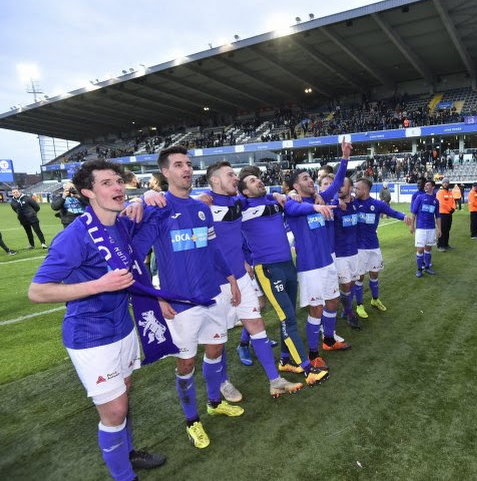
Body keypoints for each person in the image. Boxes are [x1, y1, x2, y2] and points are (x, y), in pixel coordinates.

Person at [28, 159, 166, 480]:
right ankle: (123, 476)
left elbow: (158, 218)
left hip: (123, 328)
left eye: (118, 181)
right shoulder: (74, 237)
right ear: (88, 192)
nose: (117, 187)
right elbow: (37, 291)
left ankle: (128, 453)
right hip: (89, 336)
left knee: (125, 397)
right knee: (115, 410)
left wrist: (146, 199)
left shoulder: (121, 223)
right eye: (107, 183)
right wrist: (99, 285)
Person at [133, 146, 244, 450]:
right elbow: (137, 256)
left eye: (189, 164)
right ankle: (191, 420)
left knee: (217, 348)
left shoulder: (201, 208)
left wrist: (232, 280)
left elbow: (213, 249)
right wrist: (156, 296)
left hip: (212, 293)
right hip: (180, 303)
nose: (186, 170)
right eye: (178, 165)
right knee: (185, 362)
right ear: (165, 172)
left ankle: (213, 402)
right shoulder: (156, 209)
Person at [199, 161, 303, 398]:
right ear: (215, 181)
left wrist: (280, 193)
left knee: (257, 325)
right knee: (218, 339)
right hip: (216, 282)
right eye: (230, 175)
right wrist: (149, 197)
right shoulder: (203, 205)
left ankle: (275, 380)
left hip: (241, 277)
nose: (235, 178)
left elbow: (259, 199)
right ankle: (222, 382)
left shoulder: (238, 201)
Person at [237, 166, 330, 387]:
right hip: (268, 269)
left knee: (288, 315)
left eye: (258, 178)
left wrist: (282, 195)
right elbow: (228, 234)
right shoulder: (242, 206)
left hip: (288, 264)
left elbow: (294, 206)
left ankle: (286, 360)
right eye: (251, 181)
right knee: (287, 318)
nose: (258, 181)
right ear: (245, 191)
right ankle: (308, 370)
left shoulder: (273, 200)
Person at [284, 143, 352, 369]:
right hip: (310, 267)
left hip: (327, 263)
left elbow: (336, 182)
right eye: (304, 178)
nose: (310, 180)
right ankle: (313, 354)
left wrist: (344, 158)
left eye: (310, 177)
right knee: (317, 308)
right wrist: (313, 207)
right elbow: (296, 211)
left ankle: (329, 340)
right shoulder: (293, 204)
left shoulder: (320, 197)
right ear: (295, 185)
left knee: (333, 301)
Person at [350, 177, 413, 318]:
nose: (355, 190)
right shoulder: (352, 202)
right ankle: (359, 305)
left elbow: (393, 212)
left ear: (365, 190)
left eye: (358, 188)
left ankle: (375, 299)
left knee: (374, 274)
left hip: (373, 245)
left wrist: (404, 217)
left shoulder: (377, 204)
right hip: (359, 248)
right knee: (359, 277)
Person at [332, 177, 361, 329]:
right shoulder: (334, 205)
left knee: (352, 283)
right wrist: (336, 200)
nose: (339, 188)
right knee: (345, 285)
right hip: (340, 253)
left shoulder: (355, 203)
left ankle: (345, 309)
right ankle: (349, 313)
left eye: (343, 185)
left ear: (350, 188)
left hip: (354, 252)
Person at [410, 180, 440, 277]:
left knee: (428, 249)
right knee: (420, 249)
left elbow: (438, 216)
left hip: (431, 228)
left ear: (433, 187)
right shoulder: (419, 197)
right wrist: (412, 225)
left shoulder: (436, 201)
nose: (425, 187)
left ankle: (427, 267)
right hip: (421, 228)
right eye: (425, 185)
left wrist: (439, 229)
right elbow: (413, 213)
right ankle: (419, 269)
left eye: (428, 185)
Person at [435, 179, 456, 252]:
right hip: (442, 213)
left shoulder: (450, 193)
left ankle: (446, 244)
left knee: (447, 229)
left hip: (449, 214)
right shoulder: (440, 192)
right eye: (444, 183)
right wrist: (450, 209)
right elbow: (441, 203)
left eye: (447, 183)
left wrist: (453, 208)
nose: (445, 184)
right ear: (442, 184)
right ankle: (440, 245)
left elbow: (453, 201)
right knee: (442, 230)